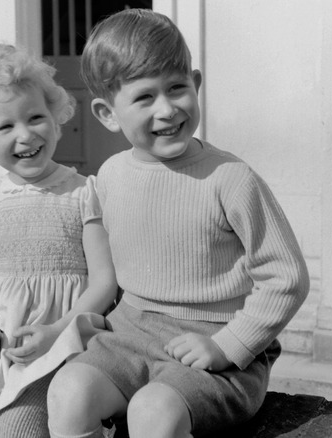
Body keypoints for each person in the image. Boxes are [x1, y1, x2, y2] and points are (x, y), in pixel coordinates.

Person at [46, 9, 310, 438]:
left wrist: (229, 346)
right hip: (129, 336)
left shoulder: (230, 178)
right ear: (108, 113)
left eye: (176, 88)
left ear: (197, 85)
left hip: (215, 347)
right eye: (144, 97)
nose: (167, 109)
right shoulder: (111, 175)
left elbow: (287, 277)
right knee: (67, 394)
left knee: (154, 413)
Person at [0, 44, 117, 438]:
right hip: (0, 344)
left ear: (56, 120)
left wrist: (58, 331)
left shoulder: (83, 193)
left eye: (36, 117)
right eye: (5, 127)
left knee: (18, 426)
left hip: (62, 340)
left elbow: (105, 282)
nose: (25, 135)